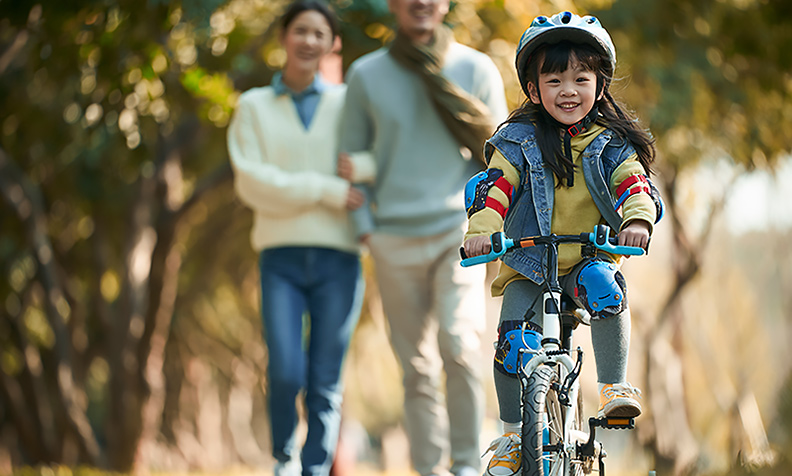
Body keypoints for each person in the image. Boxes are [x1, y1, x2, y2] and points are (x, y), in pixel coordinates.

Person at [462, 11, 663, 476]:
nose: (568, 90)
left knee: (607, 287)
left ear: (600, 84)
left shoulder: (610, 143)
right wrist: (480, 233)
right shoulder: (516, 141)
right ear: (533, 90)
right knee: (511, 343)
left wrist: (637, 222)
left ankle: (614, 387)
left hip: (586, 257)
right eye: (553, 80)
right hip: (530, 262)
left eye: (580, 78)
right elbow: (496, 187)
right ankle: (514, 435)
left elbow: (633, 185)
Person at [338, 1, 508, 475]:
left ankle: (467, 467)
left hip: (458, 235)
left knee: (460, 344)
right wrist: (366, 231)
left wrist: (486, 227)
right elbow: (349, 159)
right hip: (392, 238)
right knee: (416, 368)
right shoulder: (366, 75)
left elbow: (501, 158)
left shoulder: (475, 69)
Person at [226, 2, 367, 476]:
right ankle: (283, 459)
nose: (309, 41)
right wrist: (327, 189)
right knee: (286, 373)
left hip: (341, 261)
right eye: (300, 31)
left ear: (333, 44)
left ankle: (314, 468)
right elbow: (251, 183)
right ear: (284, 37)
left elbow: (373, 164)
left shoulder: (349, 102)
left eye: (319, 34)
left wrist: (358, 175)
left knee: (325, 382)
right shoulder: (252, 106)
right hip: (280, 259)